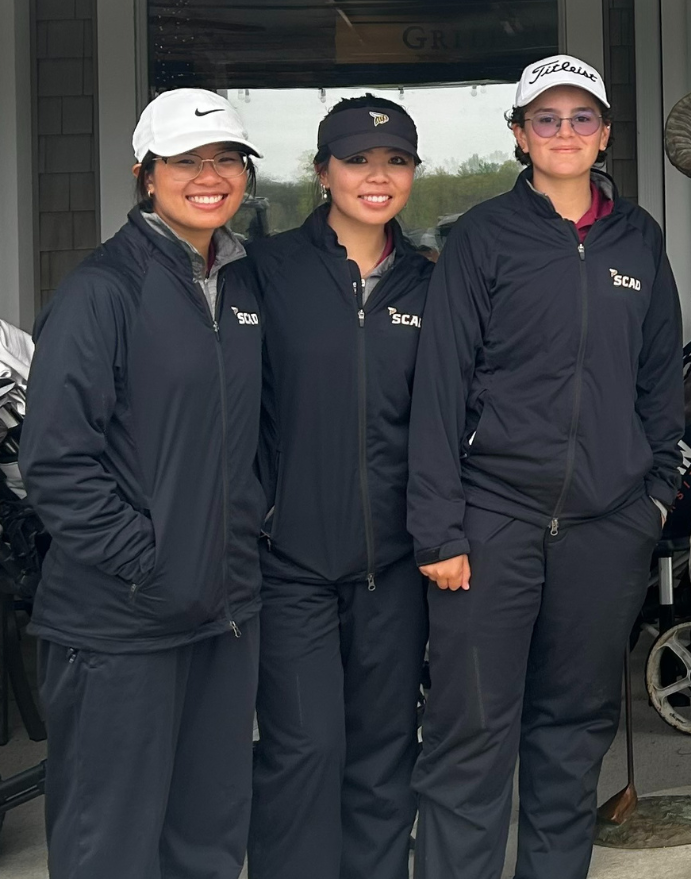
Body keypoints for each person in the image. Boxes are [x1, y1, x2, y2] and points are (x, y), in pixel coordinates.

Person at [406, 55, 684, 879]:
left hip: (606, 529)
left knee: (573, 732)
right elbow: (439, 386)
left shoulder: (639, 238)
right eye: (547, 119)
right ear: (521, 134)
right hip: (493, 523)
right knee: (472, 737)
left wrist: (655, 499)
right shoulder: (482, 237)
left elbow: (660, 379)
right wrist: (439, 526)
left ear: (605, 133)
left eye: (582, 118)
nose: (565, 133)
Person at [22, 89, 266, 879]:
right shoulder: (103, 292)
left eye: (226, 159)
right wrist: (154, 562)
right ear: (145, 173)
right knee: (110, 845)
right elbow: (58, 463)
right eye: (187, 161)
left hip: (223, 610)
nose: (210, 176)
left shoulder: (241, 286)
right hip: (121, 624)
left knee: (207, 834)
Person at [246, 96, 435, 879]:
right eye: (357, 160)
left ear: (414, 173)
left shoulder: (434, 283)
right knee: (304, 749)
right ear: (323, 172)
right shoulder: (266, 274)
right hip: (291, 564)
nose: (376, 176)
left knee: (386, 755)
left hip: (396, 566)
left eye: (394, 161)